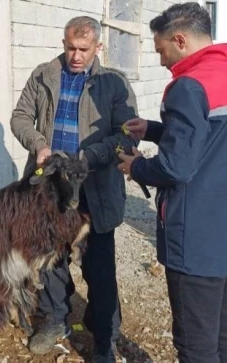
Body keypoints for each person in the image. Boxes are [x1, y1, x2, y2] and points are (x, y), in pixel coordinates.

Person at [10, 16, 138, 362]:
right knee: (50, 259)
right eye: (70, 48)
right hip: (50, 188)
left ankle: (104, 334)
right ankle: (55, 320)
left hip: (95, 189)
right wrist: (38, 143)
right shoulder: (44, 74)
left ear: (98, 46)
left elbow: (128, 133)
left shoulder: (114, 84)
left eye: (83, 49)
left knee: (99, 265)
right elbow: (20, 116)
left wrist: (90, 157)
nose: (75, 55)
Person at [117, 3, 227, 362]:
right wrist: (153, 129)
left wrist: (137, 168)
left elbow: (177, 167)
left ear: (180, 40)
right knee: (222, 337)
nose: (162, 61)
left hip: (196, 239)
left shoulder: (187, 85)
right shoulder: (222, 72)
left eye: (161, 51)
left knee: (196, 346)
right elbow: (207, 140)